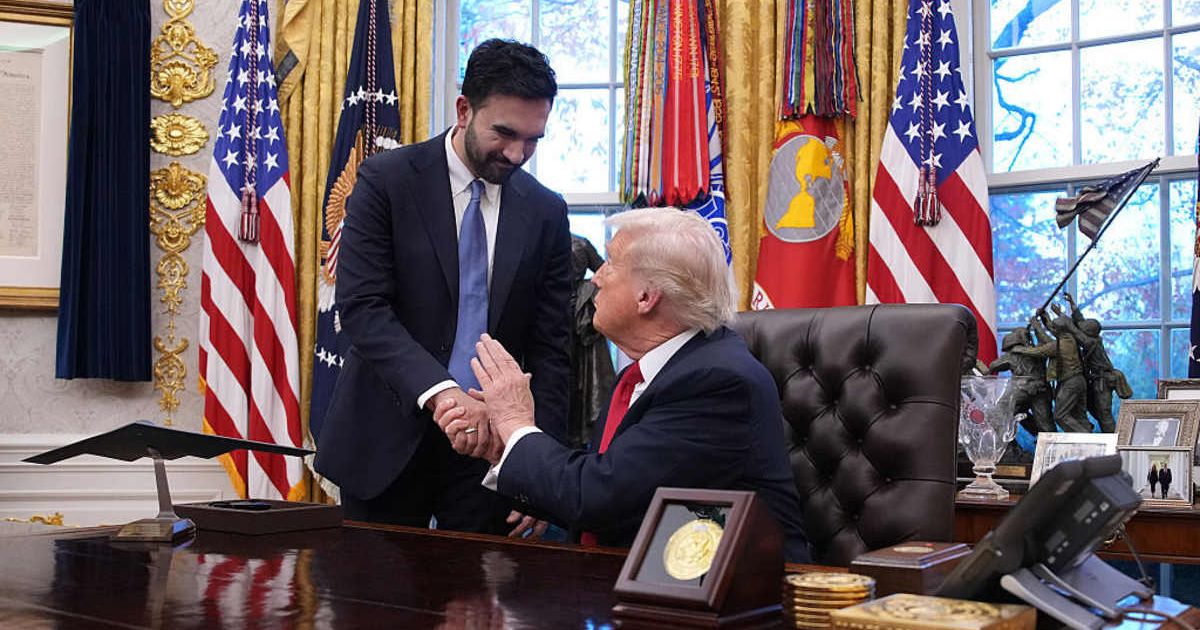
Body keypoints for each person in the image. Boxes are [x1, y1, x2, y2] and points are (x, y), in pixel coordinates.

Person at [439, 207, 812, 562]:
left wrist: (517, 423)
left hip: (731, 601)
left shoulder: (716, 381)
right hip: (632, 582)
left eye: (612, 262)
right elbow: (612, 482)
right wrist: (504, 448)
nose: (596, 276)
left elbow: (597, 498)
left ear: (647, 297)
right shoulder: (657, 370)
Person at [314, 39, 572, 535]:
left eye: (534, 139)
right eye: (504, 133)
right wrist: (444, 395)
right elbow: (365, 308)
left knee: (477, 607)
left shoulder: (545, 211)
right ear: (463, 109)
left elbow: (551, 350)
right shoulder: (386, 180)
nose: (518, 153)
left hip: (492, 455)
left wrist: (544, 464)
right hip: (384, 440)